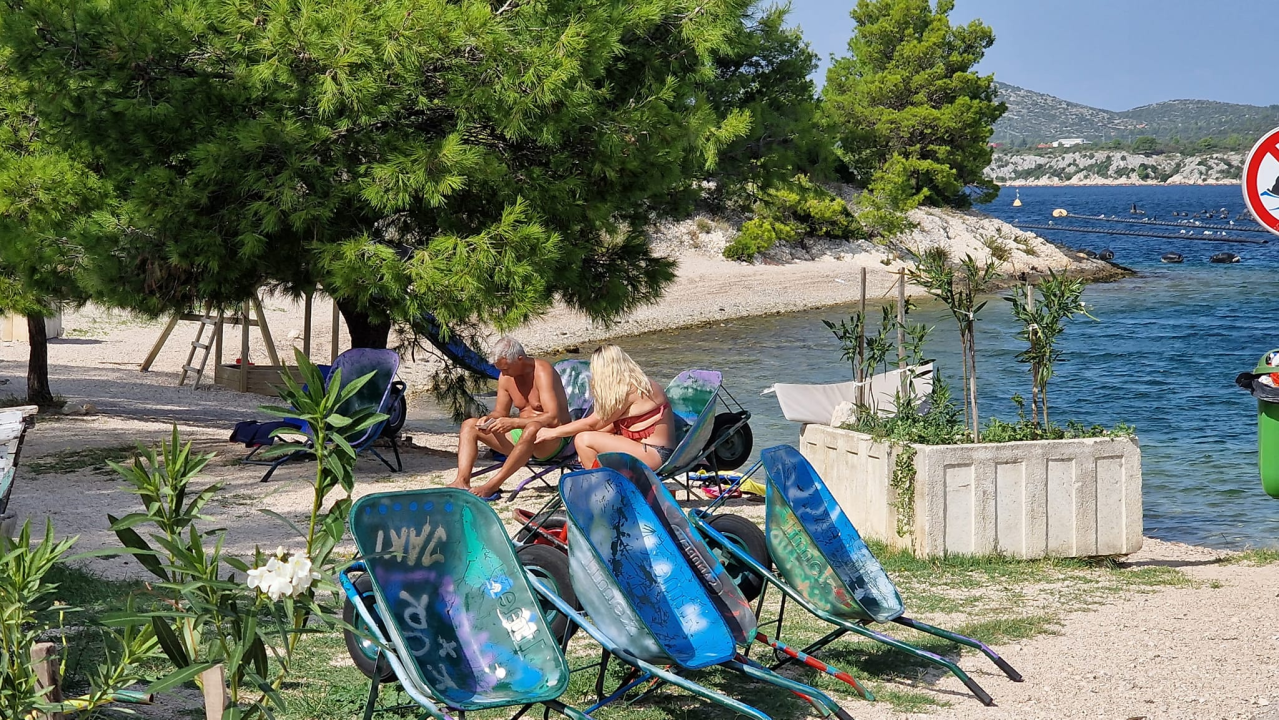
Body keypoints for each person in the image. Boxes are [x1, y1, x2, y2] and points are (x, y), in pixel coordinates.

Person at [450, 336, 571, 498]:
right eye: (501, 370)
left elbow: (553, 418)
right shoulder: (505, 377)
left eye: (506, 369)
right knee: (469, 425)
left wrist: (513, 422)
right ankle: (461, 481)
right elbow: (500, 412)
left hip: (551, 440)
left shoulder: (543, 371)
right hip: (522, 437)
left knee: (532, 427)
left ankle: (493, 485)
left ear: (520, 359)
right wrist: (489, 419)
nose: (503, 373)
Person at [535, 344, 675, 471]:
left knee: (583, 439)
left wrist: (553, 432)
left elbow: (592, 424)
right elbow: (606, 426)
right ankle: (605, 484)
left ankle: (600, 489)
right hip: (655, 451)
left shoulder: (629, 390)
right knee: (586, 441)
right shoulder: (641, 383)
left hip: (654, 454)